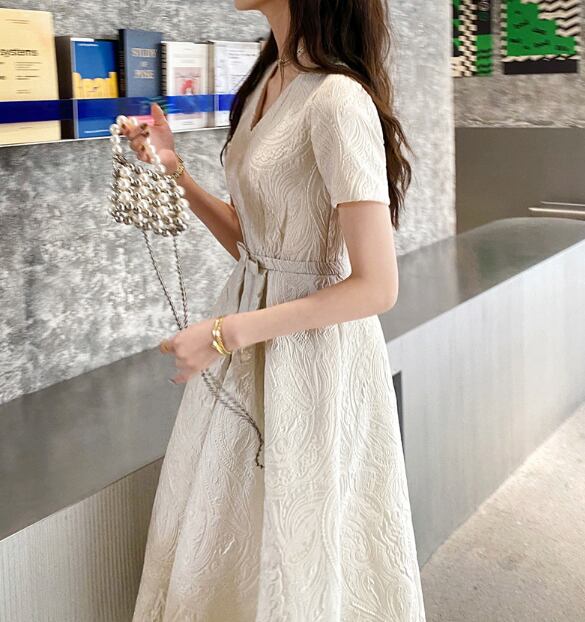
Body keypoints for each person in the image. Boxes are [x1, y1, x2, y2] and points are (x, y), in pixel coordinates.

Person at [124, 0, 426, 619]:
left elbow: (376, 287)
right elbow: (259, 248)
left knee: (297, 544)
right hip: (247, 340)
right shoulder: (270, 77)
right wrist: (176, 172)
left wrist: (226, 333)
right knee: (229, 530)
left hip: (311, 358)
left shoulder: (338, 100)